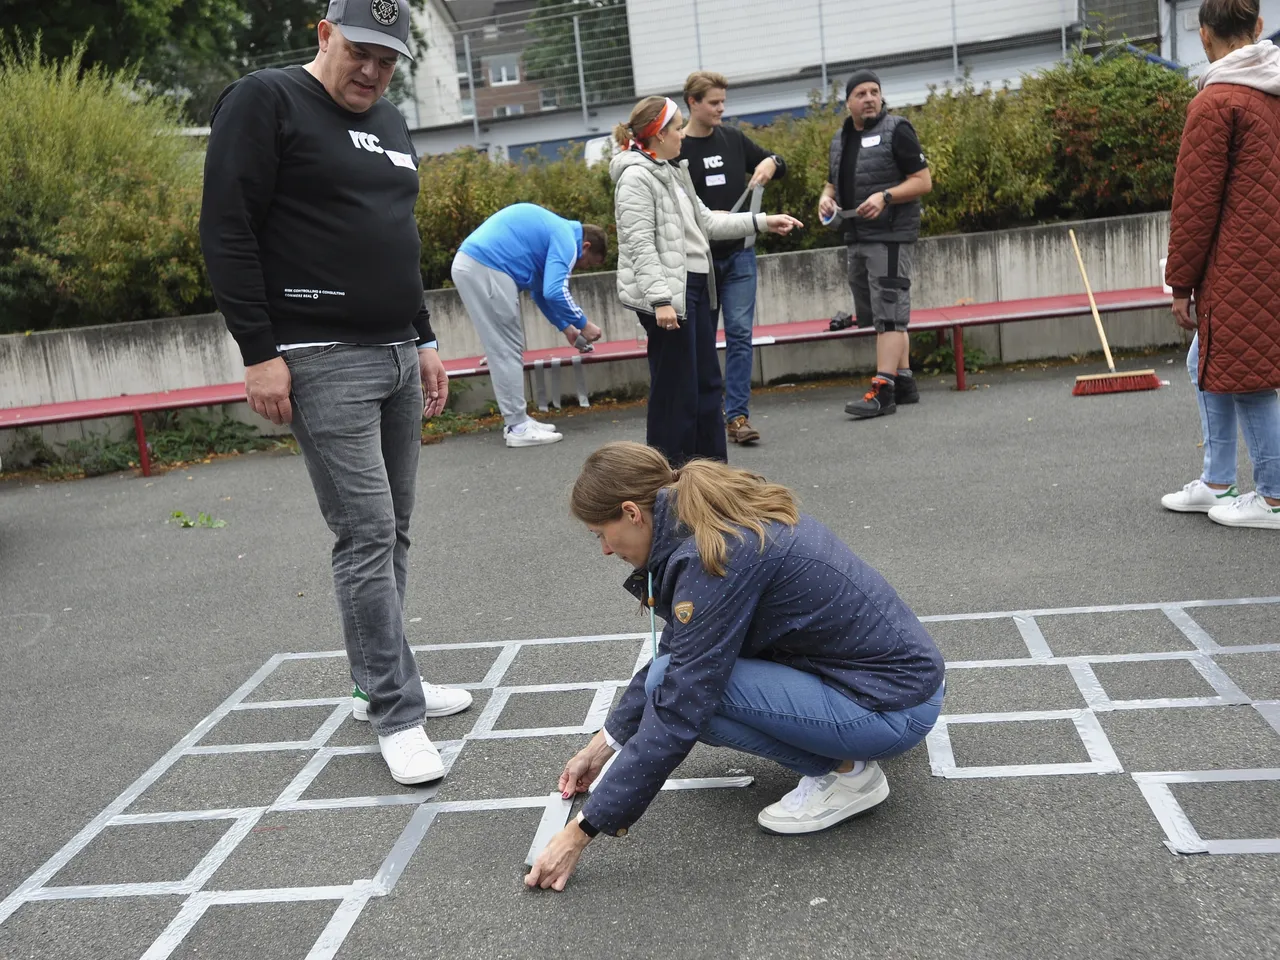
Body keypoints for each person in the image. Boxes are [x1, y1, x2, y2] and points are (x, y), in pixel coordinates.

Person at [199, 0, 471, 788]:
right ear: (324, 34)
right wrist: (259, 352)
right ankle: (396, 711)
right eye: (360, 52)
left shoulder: (388, 120)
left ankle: (384, 679)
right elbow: (227, 227)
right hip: (318, 357)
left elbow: (397, 234)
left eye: (388, 61)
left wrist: (422, 338)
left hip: (392, 349)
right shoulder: (267, 100)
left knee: (397, 529)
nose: (373, 72)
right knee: (366, 531)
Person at [525, 441, 946, 891]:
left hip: (890, 707)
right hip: (894, 684)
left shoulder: (716, 554)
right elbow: (683, 646)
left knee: (679, 691)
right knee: (676, 677)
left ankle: (849, 776)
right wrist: (604, 744)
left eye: (599, 534)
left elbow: (680, 701)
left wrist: (581, 831)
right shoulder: (702, 517)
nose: (606, 550)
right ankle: (845, 746)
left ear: (631, 512)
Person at [611, 96, 802, 468]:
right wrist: (661, 300)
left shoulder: (670, 171)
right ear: (659, 133)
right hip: (672, 298)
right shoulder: (636, 177)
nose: (683, 134)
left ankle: (712, 475)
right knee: (676, 392)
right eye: (677, 127)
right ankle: (670, 479)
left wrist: (763, 221)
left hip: (695, 290)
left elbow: (708, 223)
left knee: (706, 387)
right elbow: (639, 243)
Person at [1163, 0, 1280, 530]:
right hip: (1267, 256)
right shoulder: (1272, 90)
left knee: (1248, 377)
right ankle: (1217, 480)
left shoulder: (1216, 103)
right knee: (1205, 362)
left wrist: (1180, 281)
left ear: (1204, 37)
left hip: (1240, 262)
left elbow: (1195, 201)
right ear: (1257, 28)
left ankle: (1273, 496)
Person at [678, 71, 788, 447]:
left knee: (740, 335)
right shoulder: (677, 150)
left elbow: (778, 162)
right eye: (713, 103)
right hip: (699, 261)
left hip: (740, 256)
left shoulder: (733, 138)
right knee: (703, 339)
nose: (720, 109)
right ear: (692, 103)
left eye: (723, 102)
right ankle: (706, 415)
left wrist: (771, 162)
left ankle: (737, 417)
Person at [819, 70, 933, 420]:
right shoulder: (840, 138)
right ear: (848, 101)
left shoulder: (897, 130)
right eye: (861, 93)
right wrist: (824, 199)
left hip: (890, 235)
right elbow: (831, 184)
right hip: (856, 237)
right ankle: (905, 380)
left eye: (875, 92)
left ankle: (883, 390)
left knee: (890, 314)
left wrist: (885, 196)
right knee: (879, 314)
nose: (869, 98)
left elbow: (923, 182)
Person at [453, 204, 608, 447]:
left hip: (476, 264)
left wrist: (567, 329)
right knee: (506, 349)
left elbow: (540, 293)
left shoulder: (557, 231)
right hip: (487, 266)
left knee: (505, 347)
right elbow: (555, 290)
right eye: (587, 263)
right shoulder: (567, 239)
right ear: (585, 246)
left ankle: (518, 420)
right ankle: (517, 427)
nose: (581, 267)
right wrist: (584, 323)